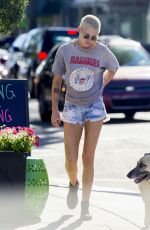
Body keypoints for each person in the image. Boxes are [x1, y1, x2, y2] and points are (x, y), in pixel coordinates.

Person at [51, 15, 119, 219]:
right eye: (87, 35)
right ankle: (73, 183)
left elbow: (113, 68)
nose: (90, 41)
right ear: (78, 29)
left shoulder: (102, 51)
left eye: (94, 37)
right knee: (71, 160)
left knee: (88, 158)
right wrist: (55, 109)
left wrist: (101, 85)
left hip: (95, 108)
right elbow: (56, 80)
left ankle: (85, 206)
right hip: (71, 106)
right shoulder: (65, 50)